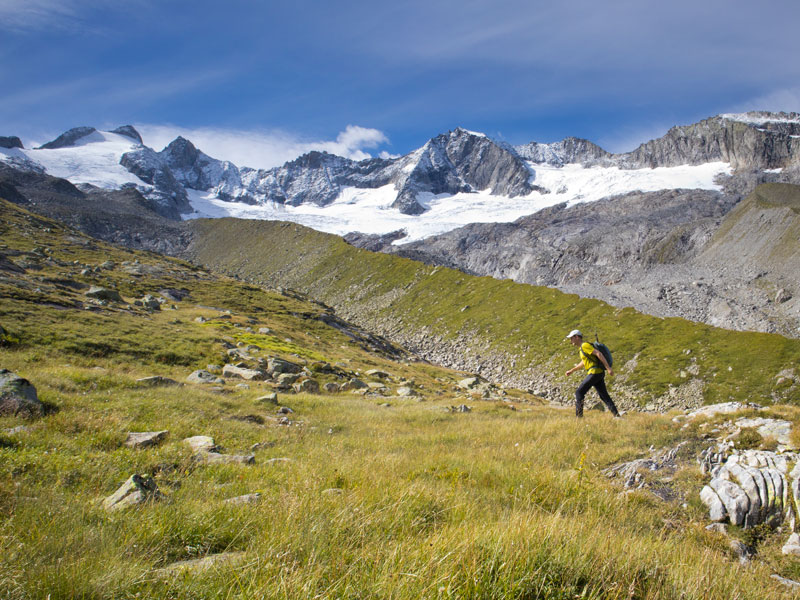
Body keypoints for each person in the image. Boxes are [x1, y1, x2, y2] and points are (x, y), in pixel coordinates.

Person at [564, 329, 620, 418]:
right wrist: (572, 370)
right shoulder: (582, 348)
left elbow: (599, 353)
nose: (570, 341)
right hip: (599, 373)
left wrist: (608, 368)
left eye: (571, 338)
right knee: (604, 395)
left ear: (577, 337)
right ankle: (617, 416)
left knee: (579, 392)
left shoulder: (585, 345)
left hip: (594, 373)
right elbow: (583, 362)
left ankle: (579, 418)